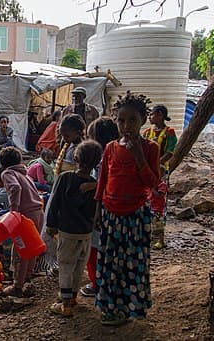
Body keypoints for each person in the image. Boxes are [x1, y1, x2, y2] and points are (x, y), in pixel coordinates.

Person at [94, 91, 160, 326]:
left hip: (135, 217)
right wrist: (98, 211)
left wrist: (139, 156)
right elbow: (102, 181)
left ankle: (130, 308)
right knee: (111, 264)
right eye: (121, 120)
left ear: (143, 120)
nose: (126, 125)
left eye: (132, 120)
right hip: (112, 215)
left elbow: (153, 183)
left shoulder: (150, 148)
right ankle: (111, 308)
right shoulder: (111, 148)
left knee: (131, 265)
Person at [46, 140, 103, 316]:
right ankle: (73, 298)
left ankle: (65, 305)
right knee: (79, 267)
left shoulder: (65, 178)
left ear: (76, 157)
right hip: (86, 233)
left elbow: (54, 202)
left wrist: (51, 224)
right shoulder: (94, 184)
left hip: (67, 232)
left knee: (65, 266)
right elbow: (96, 210)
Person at [80, 117, 119, 298]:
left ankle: (97, 283)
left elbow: (110, 183)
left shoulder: (104, 158)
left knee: (95, 247)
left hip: (102, 208)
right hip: (110, 208)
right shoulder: (115, 153)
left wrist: (92, 186)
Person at [0, 147, 44, 297]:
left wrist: (14, 212)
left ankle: (17, 286)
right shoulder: (25, 174)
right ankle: (27, 279)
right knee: (31, 248)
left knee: (20, 249)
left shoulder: (8, 173)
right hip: (38, 213)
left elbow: (14, 188)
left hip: (24, 216)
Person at [142, 105, 177, 249]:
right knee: (146, 202)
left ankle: (159, 238)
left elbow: (169, 152)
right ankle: (148, 235)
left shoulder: (169, 132)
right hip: (147, 171)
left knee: (158, 204)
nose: (150, 117)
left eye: (152, 114)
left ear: (160, 115)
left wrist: (155, 164)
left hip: (161, 171)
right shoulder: (147, 132)